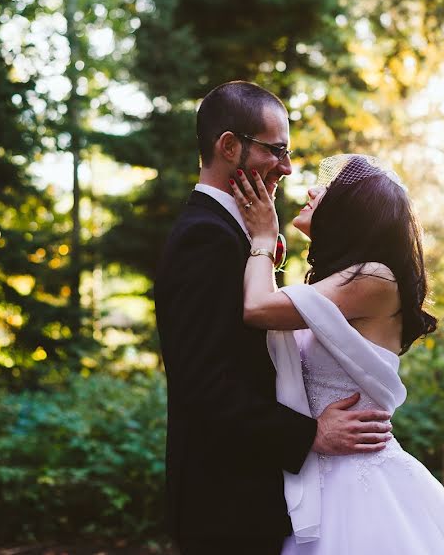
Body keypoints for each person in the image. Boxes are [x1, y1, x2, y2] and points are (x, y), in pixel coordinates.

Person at [154, 82, 395, 555]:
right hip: (225, 501)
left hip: (258, 495)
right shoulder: (204, 238)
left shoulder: (231, 235)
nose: (286, 167)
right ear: (229, 146)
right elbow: (201, 383)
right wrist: (310, 434)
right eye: (276, 150)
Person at [230, 154, 444, 554]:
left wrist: (262, 238)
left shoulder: (371, 277)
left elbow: (258, 308)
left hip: (355, 486)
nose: (311, 191)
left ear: (351, 212)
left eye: (325, 190)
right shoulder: (346, 281)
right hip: (321, 472)